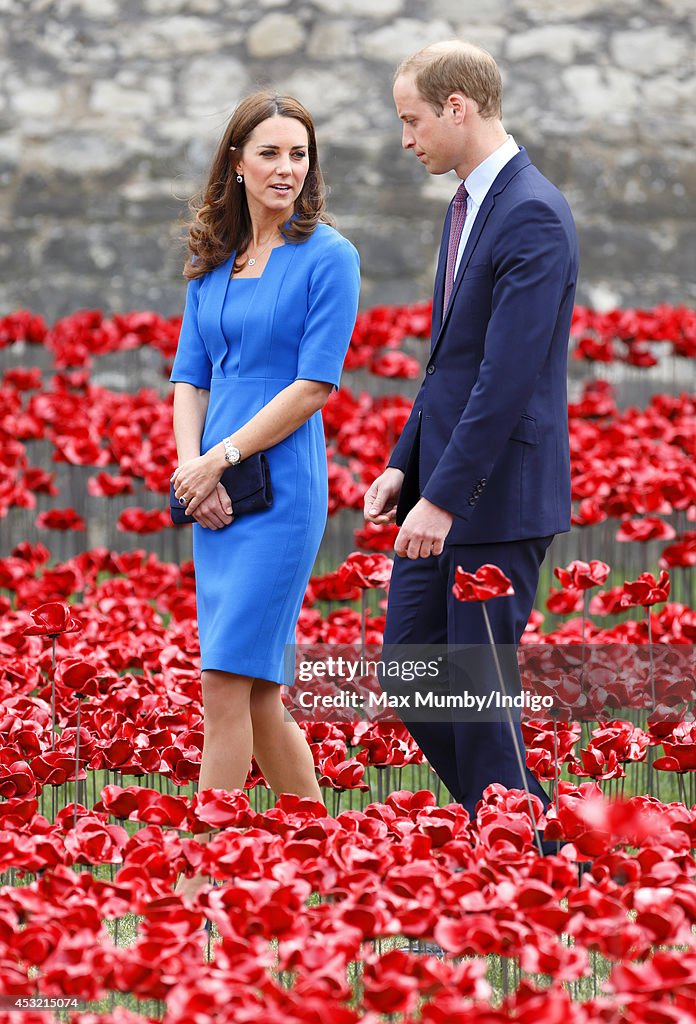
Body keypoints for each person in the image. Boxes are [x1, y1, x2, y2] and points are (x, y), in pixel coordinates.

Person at [364, 42, 579, 837]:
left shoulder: (529, 210)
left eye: (412, 119)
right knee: (413, 676)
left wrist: (443, 498)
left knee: (478, 704)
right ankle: (541, 842)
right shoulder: (468, 204)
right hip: (439, 489)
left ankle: (526, 864)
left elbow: (506, 378)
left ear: (458, 107)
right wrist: (401, 466)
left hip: (494, 503)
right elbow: (450, 364)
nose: (406, 136)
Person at [170, 91, 360, 902]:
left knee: (223, 682)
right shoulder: (213, 259)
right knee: (258, 689)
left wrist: (222, 457)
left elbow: (315, 384)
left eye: (299, 154)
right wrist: (192, 471)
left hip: (280, 490)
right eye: (271, 154)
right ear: (237, 163)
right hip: (212, 491)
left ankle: (199, 881)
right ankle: (321, 857)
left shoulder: (331, 256)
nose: (287, 169)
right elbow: (189, 377)